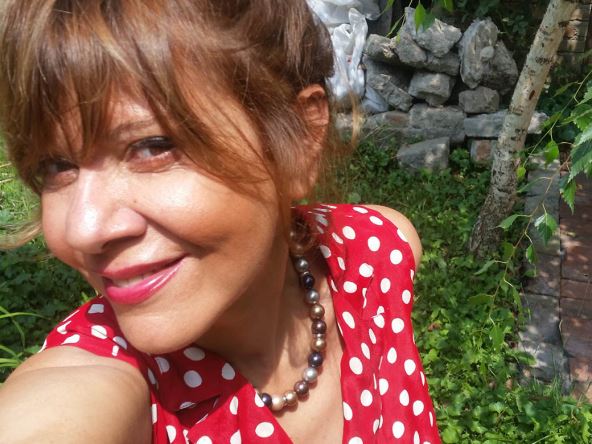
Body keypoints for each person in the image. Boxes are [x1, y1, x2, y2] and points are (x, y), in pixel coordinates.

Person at [0, 0, 440, 442]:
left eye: (153, 147)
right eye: (55, 167)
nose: (82, 230)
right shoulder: (96, 382)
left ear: (300, 140)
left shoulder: (375, 255)